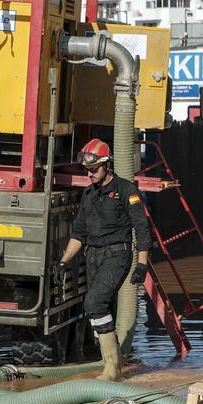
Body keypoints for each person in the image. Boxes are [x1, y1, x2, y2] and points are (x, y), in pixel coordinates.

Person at [53, 139, 151, 381]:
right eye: (87, 170)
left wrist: (141, 264)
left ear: (107, 165)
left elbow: (142, 228)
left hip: (117, 255)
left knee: (94, 303)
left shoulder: (126, 190)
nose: (90, 174)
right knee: (100, 308)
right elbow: (79, 234)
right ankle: (112, 363)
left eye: (95, 169)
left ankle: (111, 368)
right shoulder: (88, 195)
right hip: (93, 256)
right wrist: (64, 262)